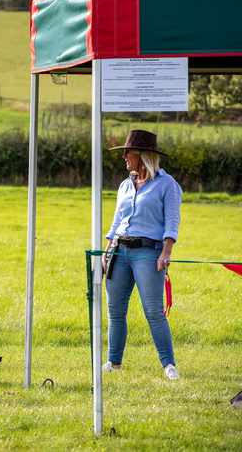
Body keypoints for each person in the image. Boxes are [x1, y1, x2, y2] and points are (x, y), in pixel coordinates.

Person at [102, 130, 182, 380]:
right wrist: (106, 251)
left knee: (153, 311)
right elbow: (117, 221)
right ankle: (113, 362)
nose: (124, 157)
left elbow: (172, 221)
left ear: (143, 156)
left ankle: (168, 364)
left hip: (149, 253)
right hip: (120, 251)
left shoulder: (167, 184)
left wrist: (166, 252)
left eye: (128, 153)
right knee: (115, 310)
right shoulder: (125, 185)